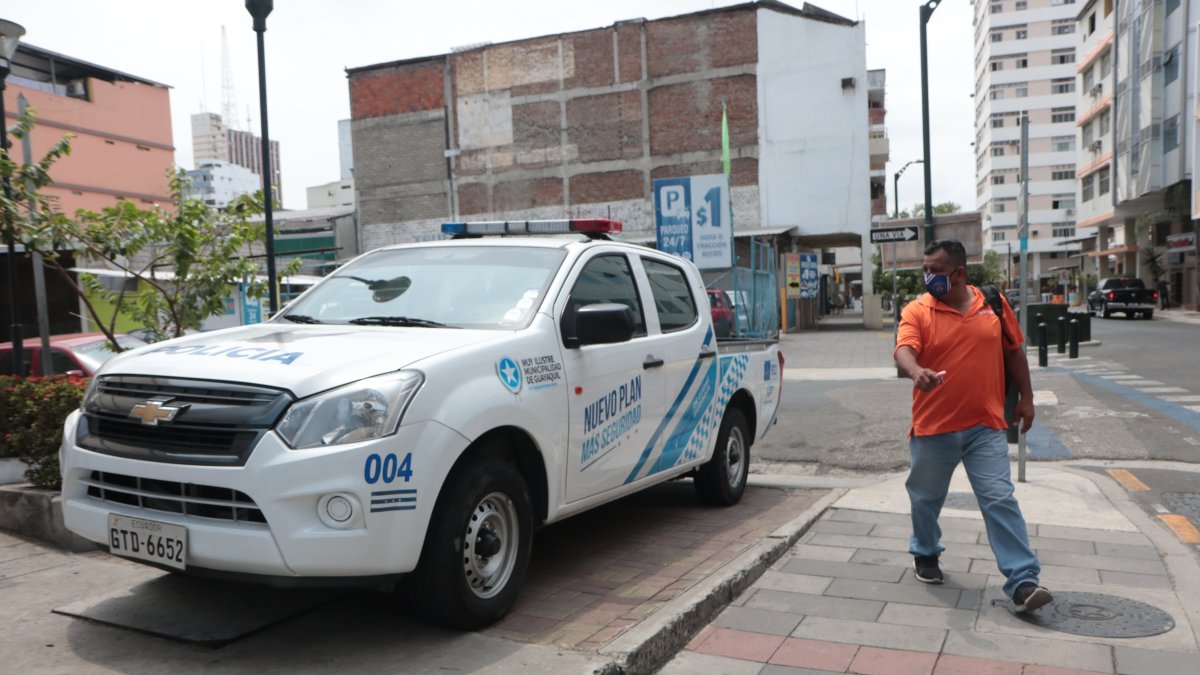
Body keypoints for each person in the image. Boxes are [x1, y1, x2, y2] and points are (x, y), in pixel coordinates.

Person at [893, 239, 1053, 614]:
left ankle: (1023, 581)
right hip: (934, 428)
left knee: (999, 497)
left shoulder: (992, 304)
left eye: (936, 270)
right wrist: (916, 371)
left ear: (960, 273)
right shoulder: (918, 310)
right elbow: (904, 351)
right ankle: (926, 551)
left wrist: (1027, 398)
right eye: (925, 268)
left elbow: (1014, 351)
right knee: (925, 499)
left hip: (986, 425)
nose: (928, 276)